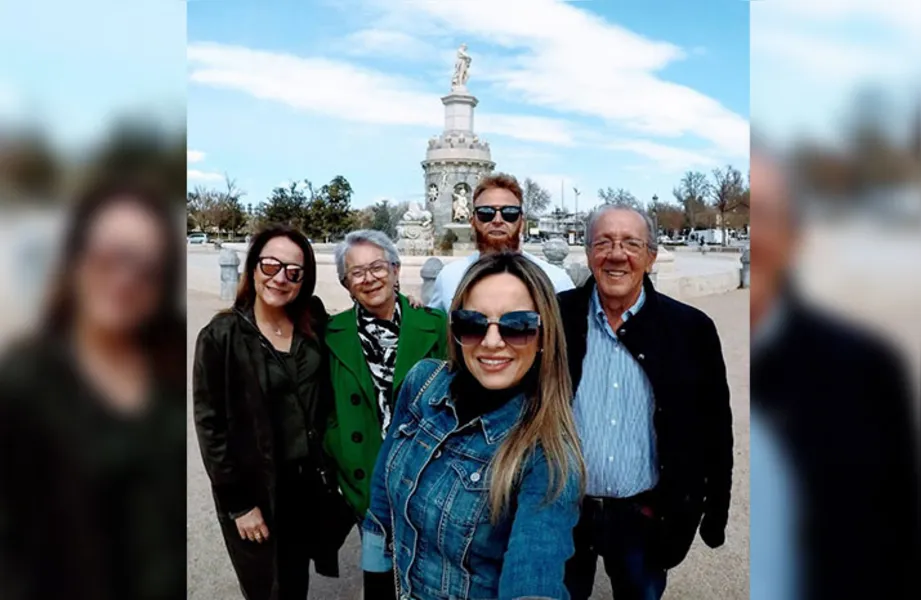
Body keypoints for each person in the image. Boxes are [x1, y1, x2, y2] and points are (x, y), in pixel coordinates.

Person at [0, 180, 186, 600]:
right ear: (75, 260)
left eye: (146, 266)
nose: (125, 278)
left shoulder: (169, 366)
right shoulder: (24, 383)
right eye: (110, 256)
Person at [362, 252, 585, 600]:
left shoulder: (548, 456)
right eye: (473, 323)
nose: (492, 341)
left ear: (544, 336)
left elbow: (536, 569)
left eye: (518, 326)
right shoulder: (422, 382)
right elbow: (381, 500)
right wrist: (374, 583)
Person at [750, 145, 919, 599]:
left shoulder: (868, 369)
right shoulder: (691, 340)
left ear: (795, 236)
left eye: (764, 214)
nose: (751, 235)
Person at [559, 205, 733, 600]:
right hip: (562, 513)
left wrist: (715, 510)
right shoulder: (556, 315)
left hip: (645, 515)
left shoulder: (691, 329)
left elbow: (715, 428)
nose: (617, 254)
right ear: (587, 253)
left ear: (651, 257)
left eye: (631, 244)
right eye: (603, 242)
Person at [192, 224, 354, 600]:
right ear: (252, 269)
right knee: (267, 586)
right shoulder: (221, 336)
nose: (280, 278)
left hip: (307, 484)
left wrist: (402, 305)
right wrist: (239, 504)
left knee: (296, 579)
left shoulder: (311, 319)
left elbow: (353, 338)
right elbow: (210, 426)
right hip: (256, 487)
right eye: (270, 266)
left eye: (293, 272)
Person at [324, 229, 448, 521]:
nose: (369, 278)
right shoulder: (331, 333)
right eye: (357, 272)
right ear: (346, 284)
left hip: (426, 474)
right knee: (376, 564)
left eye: (377, 267)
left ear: (396, 270)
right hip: (365, 478)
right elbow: (325, 405)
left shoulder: (435, 324)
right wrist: (338, 449)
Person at [427, 173, 574, 312]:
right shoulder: (449, 277)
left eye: (509, 213)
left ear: (522, 223)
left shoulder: (555, 280)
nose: (497, 220)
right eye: (486, 213)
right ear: (473, 222)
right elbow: (432, 328)